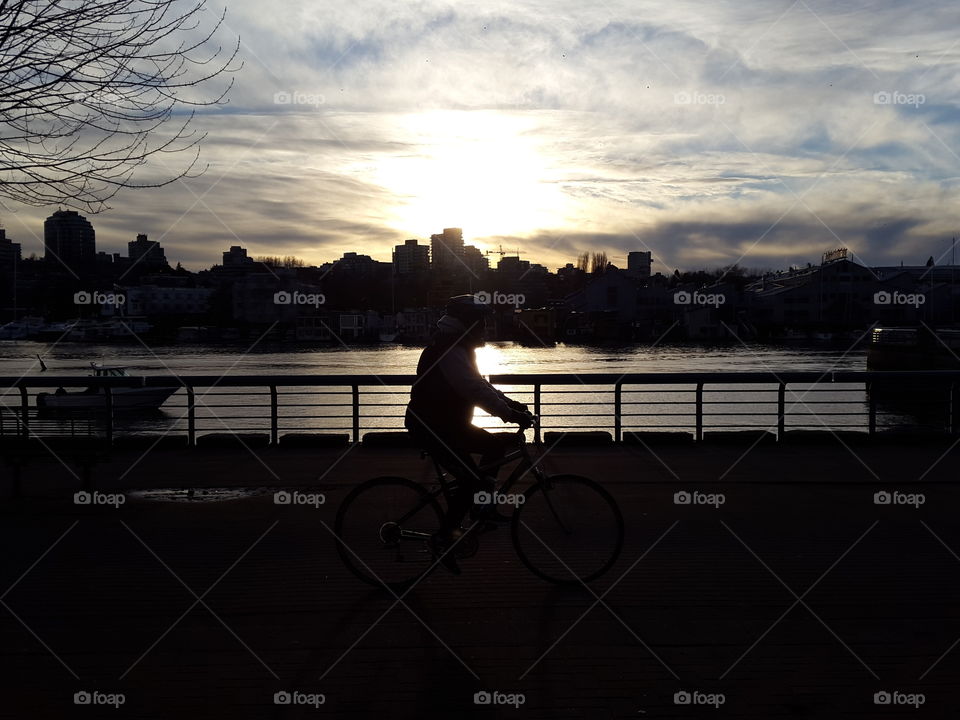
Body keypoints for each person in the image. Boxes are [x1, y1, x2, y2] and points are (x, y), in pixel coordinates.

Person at [405, 294, 533, 574]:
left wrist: (512, 405)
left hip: (450, 425)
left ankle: (481, 508)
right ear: (468, 323)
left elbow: (480, 385)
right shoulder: (450, 350)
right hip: (432, 428)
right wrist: (509, 415)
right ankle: (445, 537)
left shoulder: (458, 347)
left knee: (495, 446)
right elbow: (472, 390)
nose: (484, 328)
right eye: (481, 322)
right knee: (468, 478)